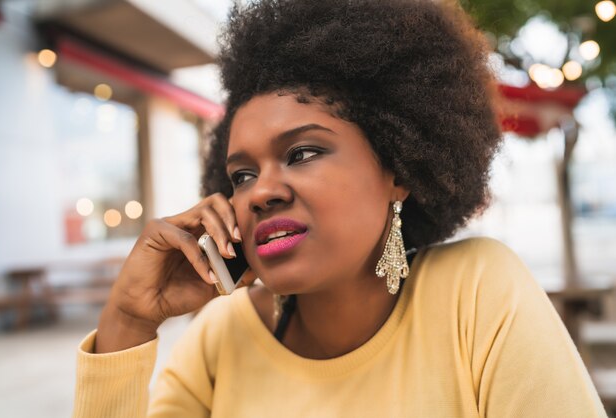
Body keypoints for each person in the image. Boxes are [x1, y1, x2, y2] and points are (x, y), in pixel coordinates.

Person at [72, 0, 608, 417]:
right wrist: (128, 321)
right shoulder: (222, 336)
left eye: (303, 152)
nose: (260, 193)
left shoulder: (477, 291)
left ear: (398, 170)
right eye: (242, 175)